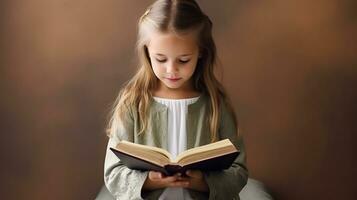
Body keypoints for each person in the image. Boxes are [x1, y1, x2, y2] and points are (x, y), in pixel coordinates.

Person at [104, 0, 248, 199]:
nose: (171, 70)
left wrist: (202, 183)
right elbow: (113, 172)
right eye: (161, 59)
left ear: (201, 53)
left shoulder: (215, 104)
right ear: (147, 52)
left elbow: (238, 170)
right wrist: (151, 181)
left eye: (183, 60)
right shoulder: (132, 103)